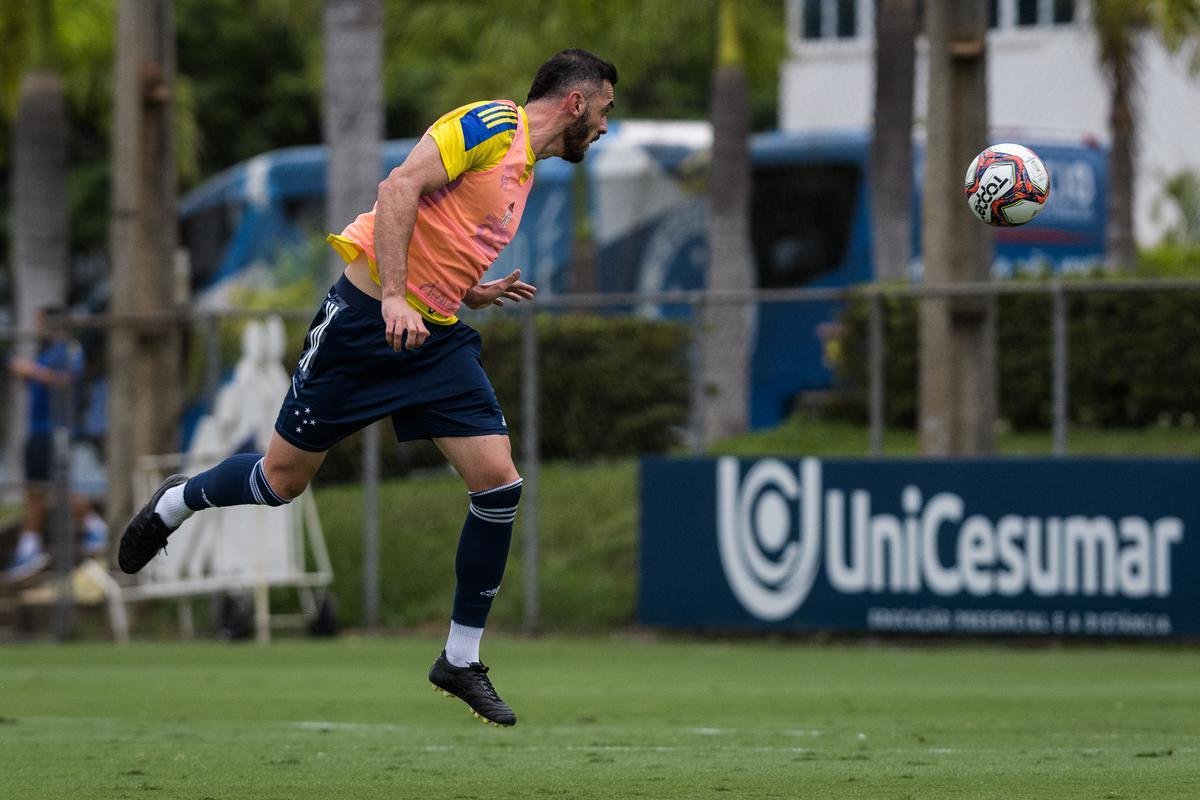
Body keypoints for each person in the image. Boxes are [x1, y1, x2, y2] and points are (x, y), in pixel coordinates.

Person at [118, 49, 617, 726]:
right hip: (363, 327)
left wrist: (471, 290)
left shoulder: (525, 166)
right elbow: (397, 191)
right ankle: (177, 500)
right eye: (607, 110)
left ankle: (460, 658)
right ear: (577, 103)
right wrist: (392, 299)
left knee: (499, 482)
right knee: (280, 481)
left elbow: (440, 231)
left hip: (432, 339)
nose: (607, 127)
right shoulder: (488, 125)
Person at [4, 307, 109, 583]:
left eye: (39, 324)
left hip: (54, 430)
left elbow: (65, 380)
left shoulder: (68, 350)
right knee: (37, 489)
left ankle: (95, 526)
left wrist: (31, 370)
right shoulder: (48, 351)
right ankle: (29, 547)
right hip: (40, 431)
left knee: (55, 486)